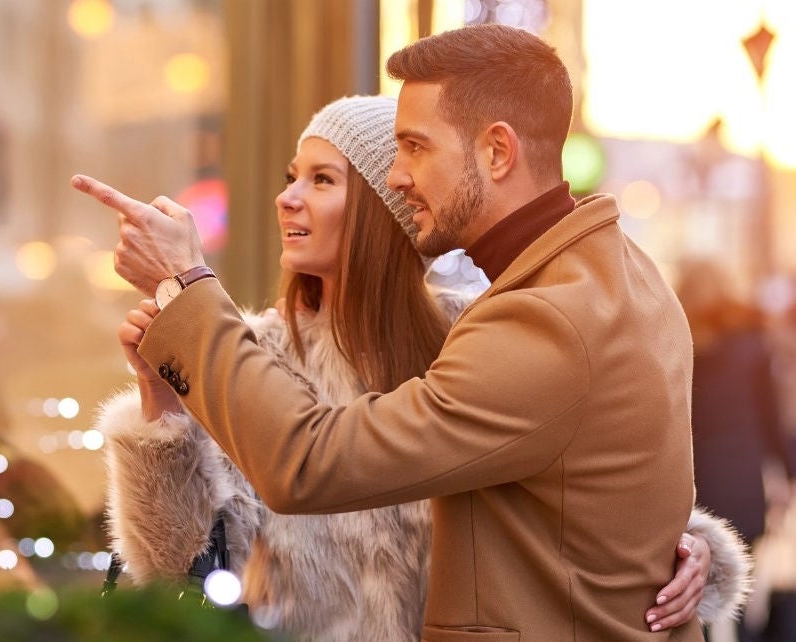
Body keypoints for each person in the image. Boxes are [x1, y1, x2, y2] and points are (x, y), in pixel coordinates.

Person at [73, 25, 730, 639]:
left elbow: (307, 463)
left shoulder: (529, 322)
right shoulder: (612, 273)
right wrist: (662, 551)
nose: (397, 173)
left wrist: (187, 284)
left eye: (415, 147)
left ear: (497, 151)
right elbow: (574, 495)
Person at [675, 257, 796, 641]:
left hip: (694, 483)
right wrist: (789, 474)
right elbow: (770, 418)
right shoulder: (751, 342)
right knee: (743, 589)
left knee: (696, 590)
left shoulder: (677, 339)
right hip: (743, 482)